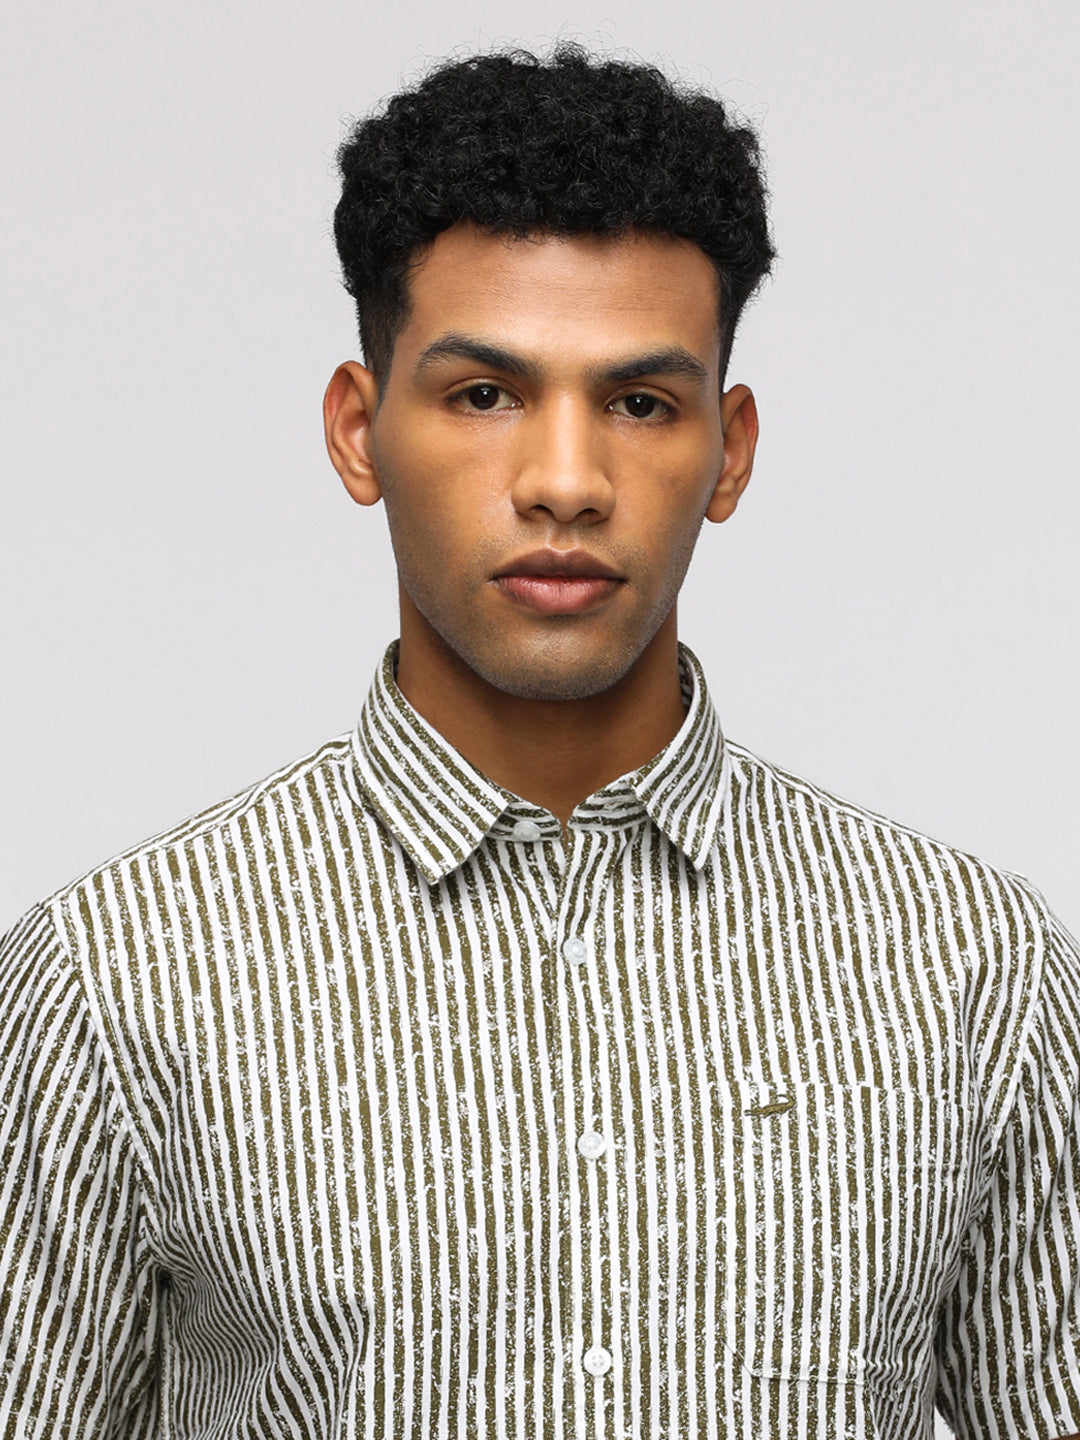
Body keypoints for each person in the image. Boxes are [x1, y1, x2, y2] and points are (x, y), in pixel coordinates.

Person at [1, 43, 1078, 1440]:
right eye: (484, 395)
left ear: (731, 449)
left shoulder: (974, 972)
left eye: (639, 404)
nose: (566, 481)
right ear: (358, 432)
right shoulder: (115, 979)